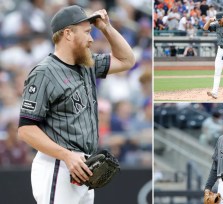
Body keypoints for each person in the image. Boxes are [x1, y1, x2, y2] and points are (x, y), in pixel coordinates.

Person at [17, 5, 135, 204]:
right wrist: (66, 156)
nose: (92, 39)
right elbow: (26, 129)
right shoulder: (44, 73)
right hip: (58, 164)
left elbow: (127, 60)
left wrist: (106, 27)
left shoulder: (86, 64)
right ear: (68, 33)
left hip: (84, 165)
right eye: (87, 32)